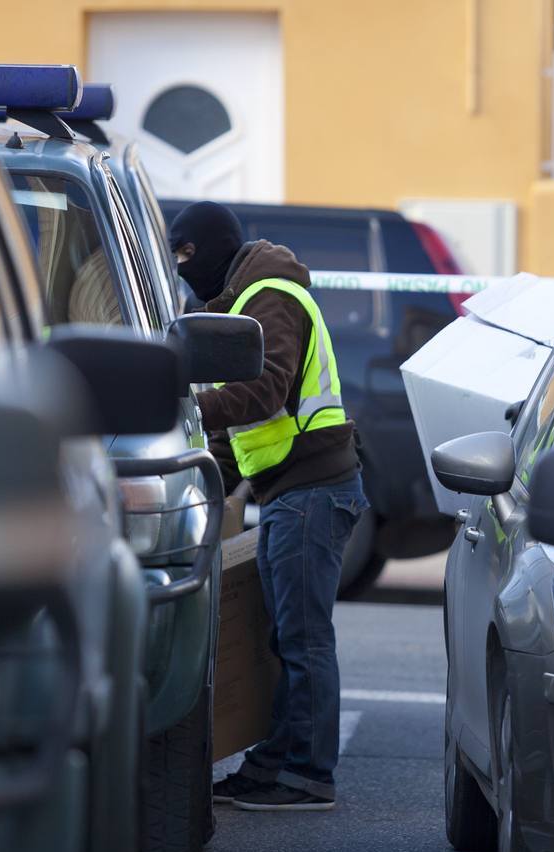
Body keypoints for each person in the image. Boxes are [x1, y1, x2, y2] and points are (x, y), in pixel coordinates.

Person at [169, 201, 368, 812]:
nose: (181, 270)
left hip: (312, 489)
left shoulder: (269, 296)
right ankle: (275, 761)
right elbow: (236, 439)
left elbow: (265, 387)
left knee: (303, 638)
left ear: (210, 249)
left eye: (185, 257)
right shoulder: (237, 305)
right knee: (284, 636)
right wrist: (200, 487)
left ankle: (308, 774)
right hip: (289, 492)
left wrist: (185, 409)